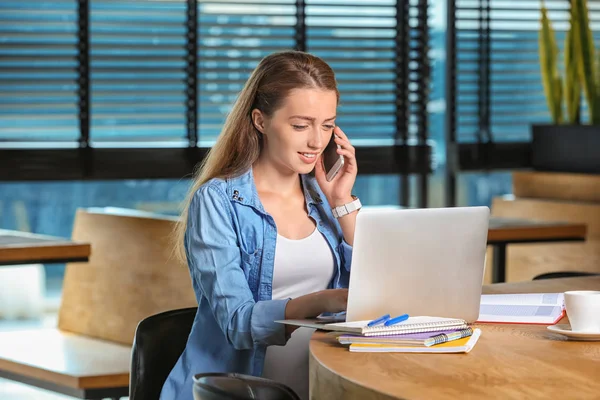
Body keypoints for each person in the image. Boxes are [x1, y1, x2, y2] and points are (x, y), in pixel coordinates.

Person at [160, 50, 361, 400]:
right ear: (260, 120)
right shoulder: (217, 201)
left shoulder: (324, 198)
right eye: (301, 125)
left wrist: (343, 202)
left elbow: (372, 291)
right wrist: (322, 300)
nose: (317, 141)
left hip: (324, 384)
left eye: (327, 125)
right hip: (241, 391)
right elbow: (238, 323)